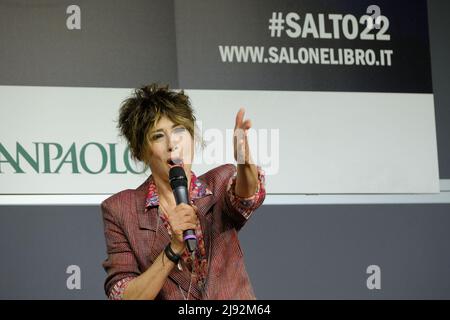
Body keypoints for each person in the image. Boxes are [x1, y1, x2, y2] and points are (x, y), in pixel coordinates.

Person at [101, 83, 266, 300]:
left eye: (179, 130)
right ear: (141, 151)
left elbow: (247, 196)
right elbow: (124, 296)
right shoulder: (121, 210)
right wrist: (173, 248)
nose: (172, 143)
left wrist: (244, 160)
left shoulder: (218, 184)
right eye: (158, 136)